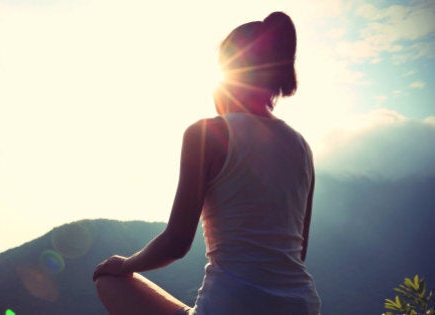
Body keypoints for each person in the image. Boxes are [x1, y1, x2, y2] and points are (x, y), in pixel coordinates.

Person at [92, 11, 321, 315]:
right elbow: (297, 251)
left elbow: (176, 243)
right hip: (301, 305)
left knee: (108, 280)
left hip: (230, 307)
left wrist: (126, 265)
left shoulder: (208, 133)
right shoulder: (302, 147)